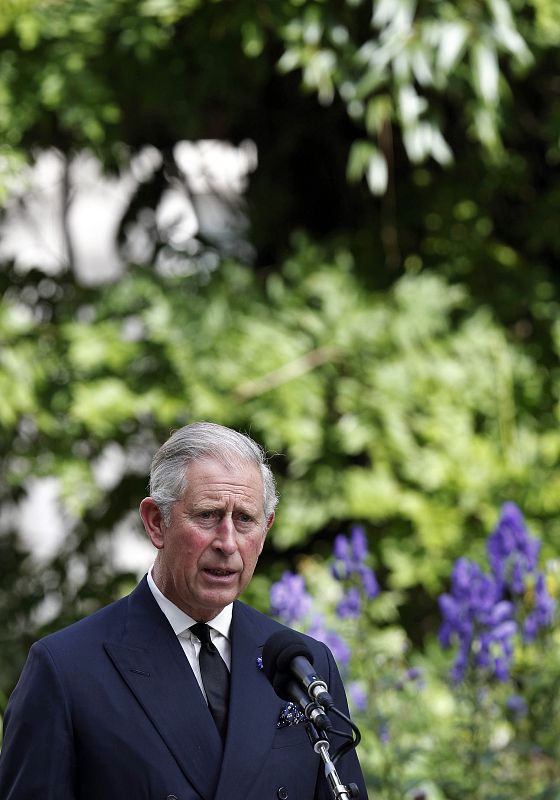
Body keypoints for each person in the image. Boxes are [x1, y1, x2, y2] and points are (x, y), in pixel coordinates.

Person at [0, 422, 367, 800]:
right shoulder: (66, 670)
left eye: (245, 519)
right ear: (157, 522)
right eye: (208, 515)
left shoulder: (305, 665)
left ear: (266, 529)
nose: (227, 542)